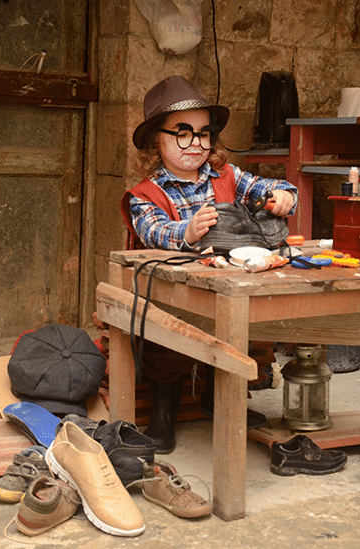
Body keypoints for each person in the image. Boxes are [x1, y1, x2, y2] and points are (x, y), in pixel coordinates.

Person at [120, 75, 298, 453]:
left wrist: (283, 195)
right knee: (165, 344)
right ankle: (163, 416)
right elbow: (152, 231)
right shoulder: (145, 194)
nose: (196, 144)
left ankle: (218, 401)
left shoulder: (227, 176)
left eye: (203, 134)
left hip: (226, 290)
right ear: (156, 140)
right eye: (182, 133)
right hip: (171, 295)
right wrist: (187, 231)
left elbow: (268, 188)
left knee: (239, 331)